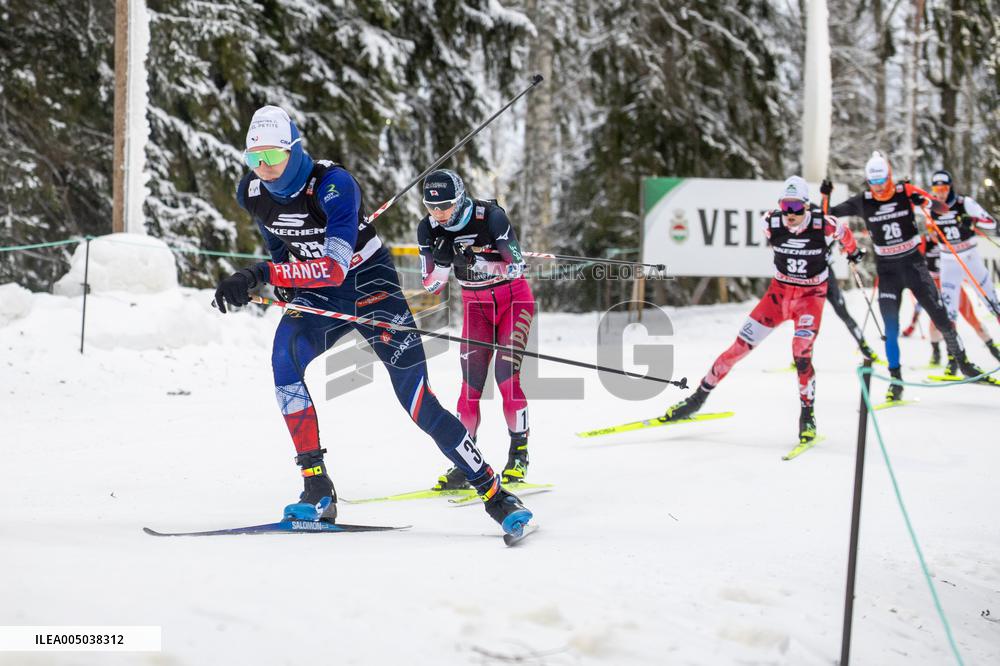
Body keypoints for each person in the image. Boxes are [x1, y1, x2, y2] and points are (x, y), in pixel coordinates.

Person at [212, 105, 531, 534]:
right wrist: (281, 272)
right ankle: (316, 487)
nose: (263, 168)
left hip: (370, 288)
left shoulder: (333, 186)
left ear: (293, 149)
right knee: (284, 364)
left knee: (418, 403)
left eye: (272, 156)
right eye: (254, 158)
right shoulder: (251, 191)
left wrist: (263, 275)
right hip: (316, 292)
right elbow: (277, 240)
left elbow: (335, 269)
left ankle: (494, 492)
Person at [663, 176, 861, 444]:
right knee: (738, 348)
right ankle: (698, 398)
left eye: (795, 208)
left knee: (801, 352)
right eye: (785, 206)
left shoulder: (824, 224)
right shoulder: (770, 221)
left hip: (810, 297)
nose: (789, 214)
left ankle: (807, 415)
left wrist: (853, 253)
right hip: (778, 297)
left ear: (806, 206)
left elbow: (846, 236)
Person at [823, 152, 987, 401]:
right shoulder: (864, 200)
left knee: (941, 317)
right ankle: (896, 381)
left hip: (914, 266)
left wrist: (927, 200)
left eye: (882, 182)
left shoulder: (905, 191)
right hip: (888, 272)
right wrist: (825, 196)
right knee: (890, 328)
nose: (878, 188)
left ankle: (964, 364)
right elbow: (827, 218)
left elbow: (941, 208)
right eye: (873, 183)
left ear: (890, 177)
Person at [416, 169, 535, 490]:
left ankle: (519, 455)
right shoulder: (427, 229)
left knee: (506, 376)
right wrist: (443, 263)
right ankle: (465, 462)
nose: (439, 213)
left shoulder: (490, 217)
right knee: (470, 387)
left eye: (446, 206)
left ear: (461, 198)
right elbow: (431, 287)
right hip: (475, 306)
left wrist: (478, 262)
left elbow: (517, 265)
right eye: (431, 206)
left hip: (513, 301)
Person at [925, 169, 1000, 373]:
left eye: (943, 188)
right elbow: (930, 231)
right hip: (949, 263)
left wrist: (971, 220)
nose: (940, 193)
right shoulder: (930, 207)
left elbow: (992, 223)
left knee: (993, 304)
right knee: (948, 314)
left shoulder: (964, 203)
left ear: (950, 187)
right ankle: (954, 359)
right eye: (936, 189)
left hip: (969, 258)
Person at [908, 231, 1000, 368]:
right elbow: (913, 261)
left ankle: (995, 352)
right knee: (936, 323)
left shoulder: (950, 238)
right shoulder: (924, 241)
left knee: (971, 318)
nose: (935, 234)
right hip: (934, 286)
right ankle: (938, 355)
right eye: (932, 230)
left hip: (953, 286)